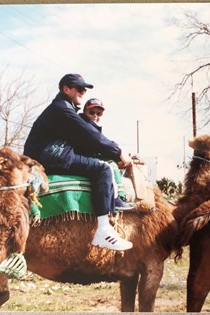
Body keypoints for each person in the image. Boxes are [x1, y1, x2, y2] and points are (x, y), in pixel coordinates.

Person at [24, 73, 134, 251]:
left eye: (85, 89)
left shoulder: (63, 108)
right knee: (103, 170)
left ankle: (115, 201)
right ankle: (103, 230)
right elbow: (89, 135)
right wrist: (118, 152)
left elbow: (86, 140)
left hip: (52, 153)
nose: (83, 92)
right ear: (66, 89)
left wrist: (110, 152)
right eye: (79, 88)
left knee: (99, 162)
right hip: (50, 155)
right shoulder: (62, 109)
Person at [80, 98, 134, 209]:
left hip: (87, 154)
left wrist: (118, 155)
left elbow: (102, 144)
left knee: (112, 162)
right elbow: (101, 143)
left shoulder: (90, 126)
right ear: (84, 112)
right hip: (80, 157)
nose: (95, 116)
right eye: (91, 112)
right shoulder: (83, 125)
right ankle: (115, 199)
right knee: (109, 166)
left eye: (99, 114)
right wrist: (119, 153)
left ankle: (120, 196)